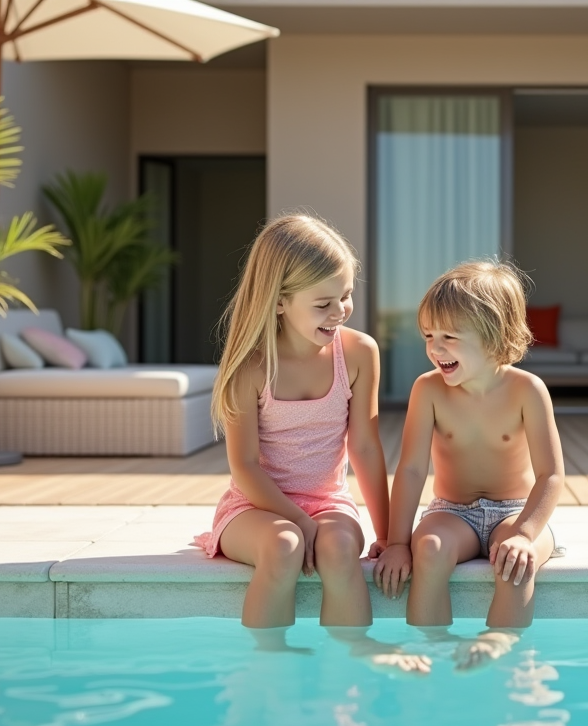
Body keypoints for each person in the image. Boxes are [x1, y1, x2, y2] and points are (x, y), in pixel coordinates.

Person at [194, 214, 428, 673]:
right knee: (282, 545)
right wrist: (298, 520)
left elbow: (364, 448)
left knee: (339, 549)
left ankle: (352, 653)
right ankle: (268, 661)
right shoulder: (251, 366)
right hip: (254, 507)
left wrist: (389, 537)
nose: (340, 312)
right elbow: (245, 467)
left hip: (327, 502)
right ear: (280, 302)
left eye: (345, 296)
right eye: (323, 304)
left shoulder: (359, 353)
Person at [373, 261, 564, 667]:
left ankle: (498, 645)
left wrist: (526, 534)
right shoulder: (428, 390)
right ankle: (430, 647)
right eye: (428, 336)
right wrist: (396, 543)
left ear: (494, 336)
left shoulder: (527, 390)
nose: (434, 348)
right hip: (451, 512)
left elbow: (551, 475)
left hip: (516, 513)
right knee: (429, 548)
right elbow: (410, 470)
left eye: (449, 337)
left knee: (516, 561)